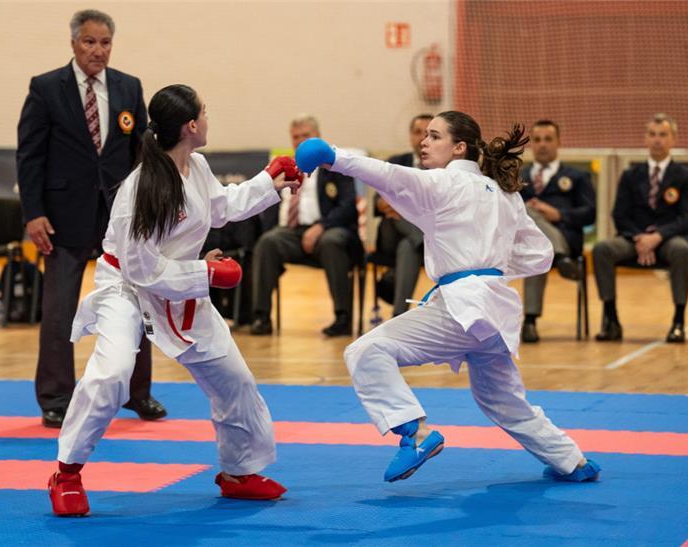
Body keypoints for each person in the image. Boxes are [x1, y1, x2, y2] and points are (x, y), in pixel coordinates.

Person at [295, 111, 600, 484]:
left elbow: (387, 174)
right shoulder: (504, 194)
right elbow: (541, 255)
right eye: (424, 135)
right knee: (502, 402)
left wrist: (333, 157)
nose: (424, 141)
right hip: (493, 308)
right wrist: (493, 266)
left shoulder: (444, 183)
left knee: (365, 351)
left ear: (459, 148)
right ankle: (573, 461)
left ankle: (416, 434)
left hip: (463, 307)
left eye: (435, 136)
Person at [48, 84, 297, 516]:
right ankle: (66, 473)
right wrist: (207, 272)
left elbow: (221, 207)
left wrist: (269, 179)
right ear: (191, 126)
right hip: (125, 289)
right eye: (205, 111)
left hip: (179, 290)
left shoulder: (195, 165)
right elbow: (144, 270)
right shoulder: (142, 189)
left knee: (233, 378)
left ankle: (238, 472)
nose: (208, 116)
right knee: (112, 375)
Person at [17, 9, 165, 428]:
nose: (97, 51)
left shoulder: (128, 87)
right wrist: (34, 213)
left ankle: (139, 394)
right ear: (73, 43)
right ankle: (56, 397)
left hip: (121, 217)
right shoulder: (46, 88)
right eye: (89, 42)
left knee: (137, 303)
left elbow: (143, 153)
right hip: (62, 216)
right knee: (61, 309)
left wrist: (148, 208)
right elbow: (29, 156)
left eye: (105, 43)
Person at [592, 114, 688, 343]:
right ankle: (611, 319)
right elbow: (619, 214)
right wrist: (640, 238)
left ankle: (678, 322)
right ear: (646, 139)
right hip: (635, 239)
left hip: (670, 239)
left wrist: (658, 236)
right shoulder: (631, 175)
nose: (657, 140)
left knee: (682, 250)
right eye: (652, 134)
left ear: (674, 139)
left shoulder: (687, 176)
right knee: (602, 248)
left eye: (663, 135)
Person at [250, 115, 360, 337]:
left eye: (305, 136)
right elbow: (271, 205)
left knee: (332, 242)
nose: (300, 141)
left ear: (318, 137)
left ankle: (342, 318)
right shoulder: (286, 166)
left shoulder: (336, 165)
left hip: (327, 230)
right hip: (291, 233)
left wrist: (321, 226)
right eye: (295, 137)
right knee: (267, 242)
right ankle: (260, 317)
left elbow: (349, 206)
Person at [519, 120, 596, 343]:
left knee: (538, 250)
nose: (542, 145)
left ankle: (530, 321)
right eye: (537, 139)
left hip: (566, 238)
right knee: (524, 212)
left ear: (559, 142)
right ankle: (560, 257)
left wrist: (559, 215)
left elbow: (590, 214)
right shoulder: (516, 176)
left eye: (548, 139)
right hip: (522, 243)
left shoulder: (577, 177)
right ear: (530, 144)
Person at [374, 114, 432, 317]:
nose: (423, 138)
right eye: (418, 132)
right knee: (397, 216)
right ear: (410, 136)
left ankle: (398, 317)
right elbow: (378, 202)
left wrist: (403, 205)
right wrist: (391, 205)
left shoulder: (443, 169)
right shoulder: (396, 163)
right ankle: (425, 241)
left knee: (408, 247)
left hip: (413, 240)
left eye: (429, 133)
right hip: (393, 232)